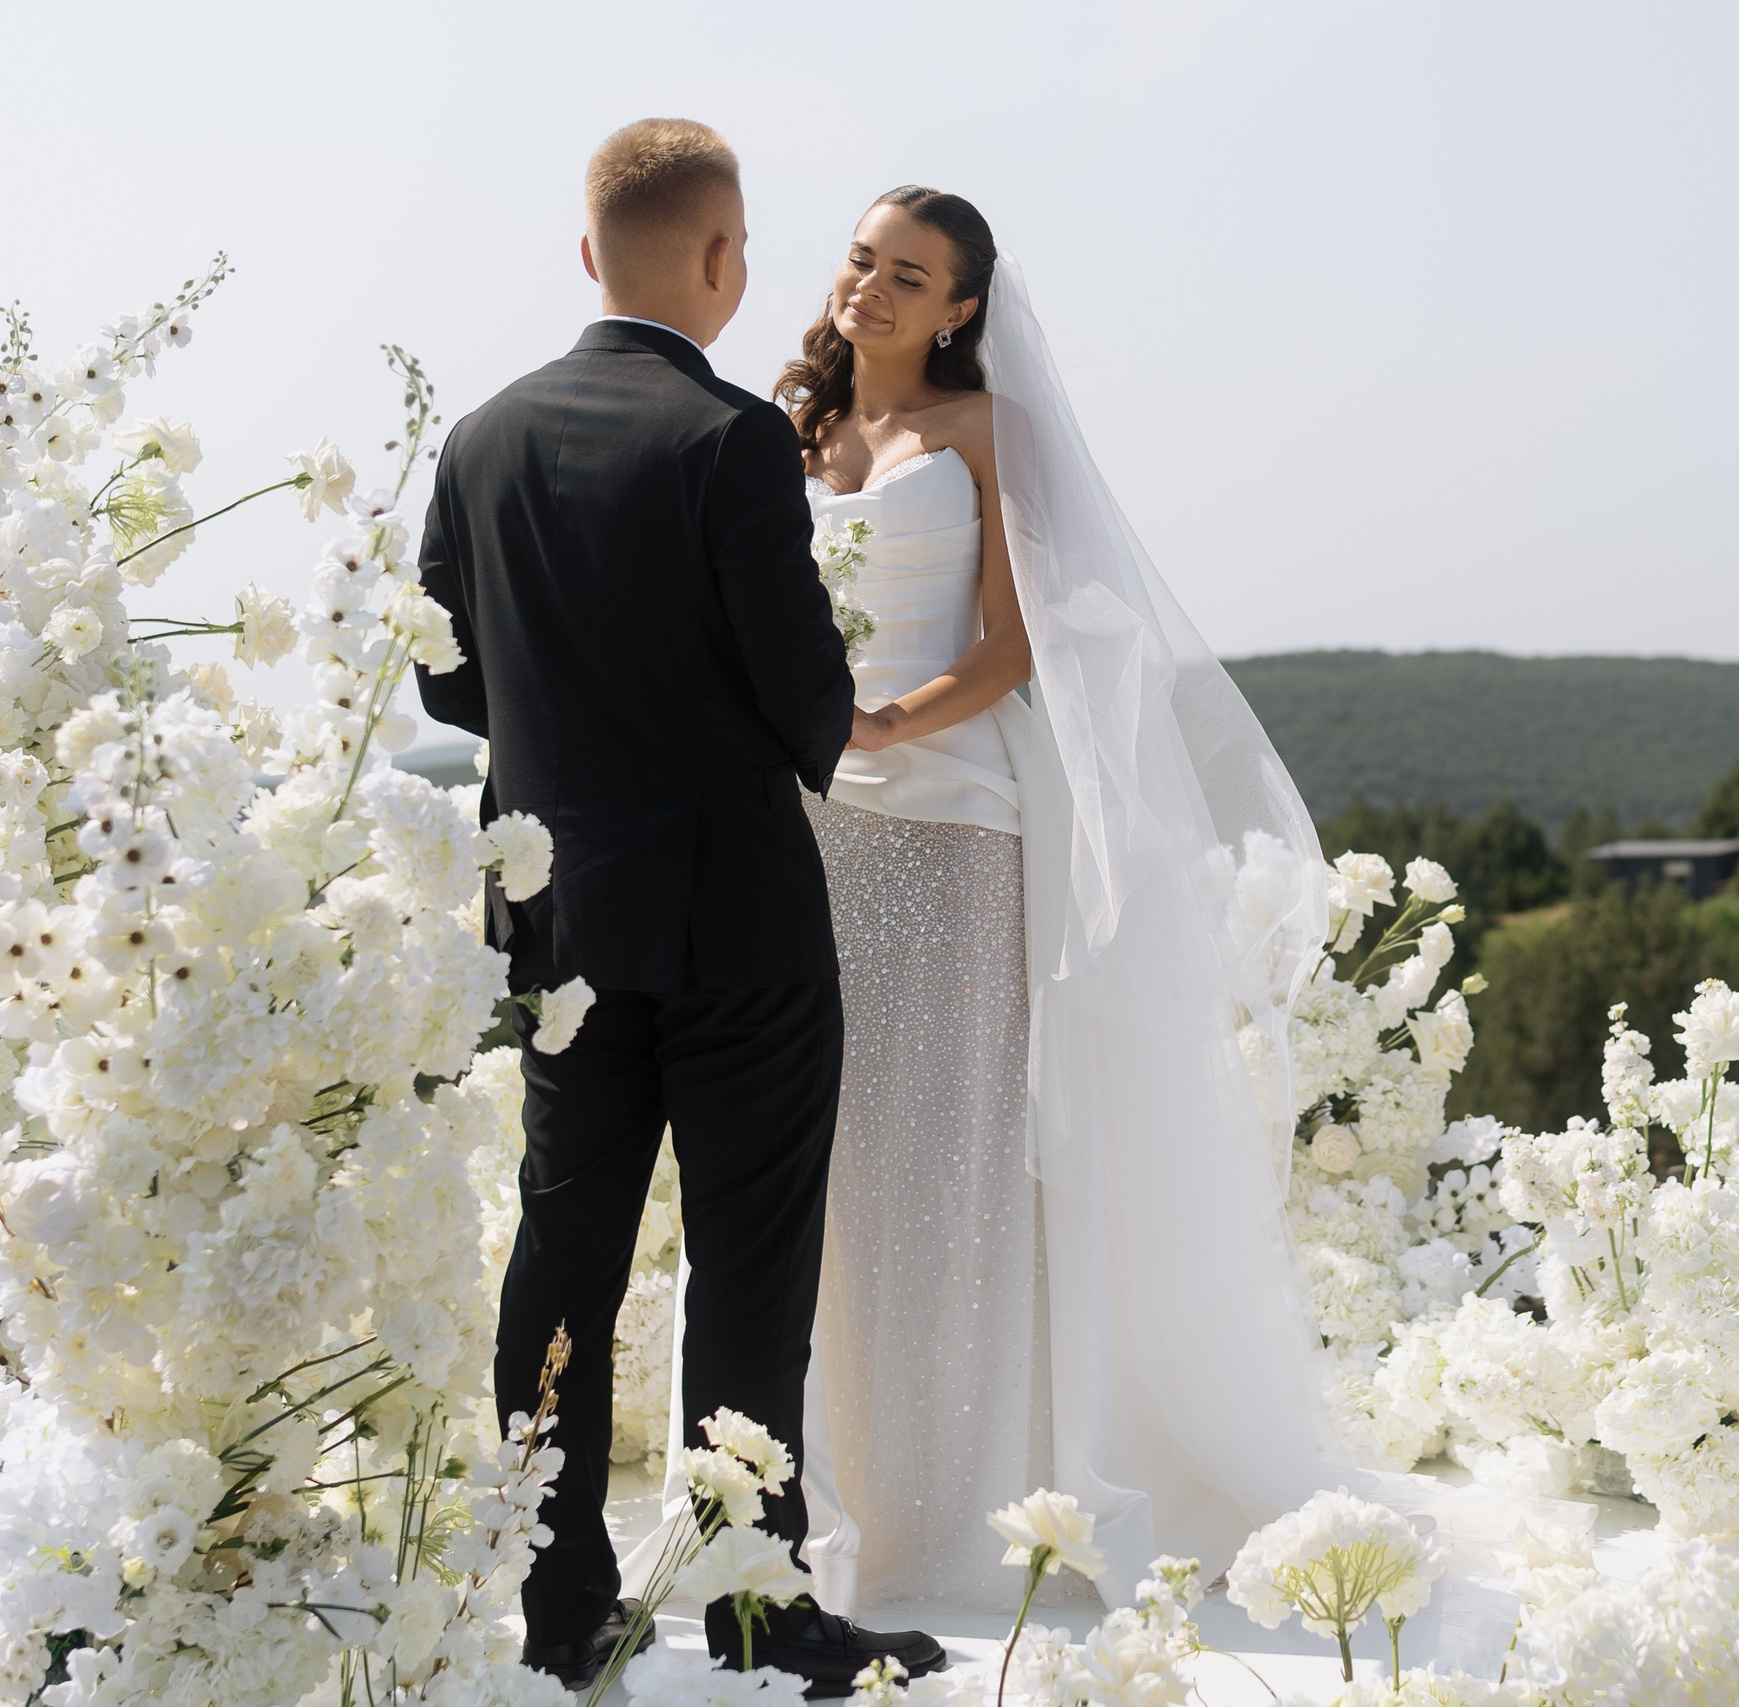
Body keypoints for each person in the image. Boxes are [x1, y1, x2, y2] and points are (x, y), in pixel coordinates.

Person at [736, 186, 1346, 1620]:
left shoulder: (982, 433)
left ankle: (955, 1503)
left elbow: (1021, 643)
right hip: (808, 830)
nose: (872, 287)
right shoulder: (787, 432)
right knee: (828, 1170)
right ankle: (831, 1488)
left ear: (961, 306)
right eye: (861, 259)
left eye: (910, 273)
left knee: (945, 1165)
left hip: (951, 819)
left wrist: (886, 725)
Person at [414, 120, 944, 1691]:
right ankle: (758, 1613)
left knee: (561, 1258)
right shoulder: (728, 441)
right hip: (739, 925)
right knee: (749, 1267)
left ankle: (559, 1608)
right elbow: (806, 704)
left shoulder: (481, 435)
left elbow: (442, 670)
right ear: (722, 261)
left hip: (565, 923)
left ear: (591, 255)